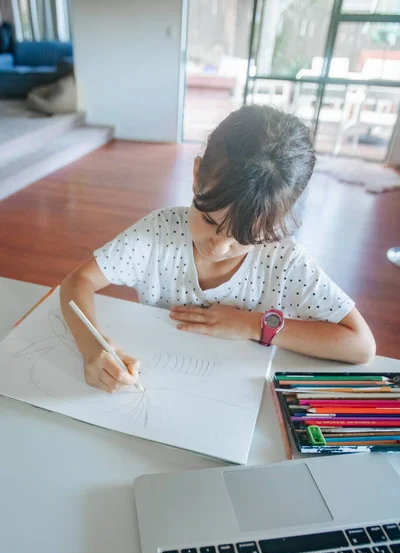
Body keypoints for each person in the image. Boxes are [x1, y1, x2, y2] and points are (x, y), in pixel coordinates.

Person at [60, 105, 376, 394]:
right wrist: (92, 346)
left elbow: (361, 345)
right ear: (197, 176)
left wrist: (252, 325)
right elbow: (78, 282)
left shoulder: (283, 262)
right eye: (210, 220)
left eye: (243, 237)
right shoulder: (158, 233)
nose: (219, 245)